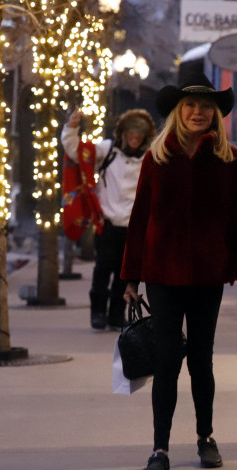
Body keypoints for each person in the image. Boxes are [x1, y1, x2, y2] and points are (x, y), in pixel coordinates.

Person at [121, 72, 237, 470]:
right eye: (190, 106)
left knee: (201, 358)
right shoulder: (156, 158)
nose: (198, 112)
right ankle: (159, 449)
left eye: (205, 107)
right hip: (163, 272)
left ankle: (205, 437)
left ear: (215, 114)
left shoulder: (232, 161)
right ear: (178, 113)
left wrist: (230, 264)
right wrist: (131, 275)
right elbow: (139, 219)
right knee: (166, 361)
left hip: (206, 276)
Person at [61, 108, 157, 330]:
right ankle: (98, 314)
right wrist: (71, 127)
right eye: (131, 134)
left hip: (135, 227)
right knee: (103, 269)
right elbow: (76, 151)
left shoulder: (150, 157)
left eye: (139, 135)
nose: (135, 139)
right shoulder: (108, 150)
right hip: (107, 223)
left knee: (126, 275)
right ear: (124, 133)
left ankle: (116, 315)